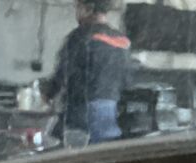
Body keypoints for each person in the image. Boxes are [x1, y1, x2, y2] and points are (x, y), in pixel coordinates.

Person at [44, 0, 131, 146]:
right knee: (102, 153)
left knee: (70, 152)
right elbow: (127, 79)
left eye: (78, 7)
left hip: (82, 112)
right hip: (112, 112)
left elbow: (63, 72)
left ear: (88, 9)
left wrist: (48, 95)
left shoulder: (79, 37)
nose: (77, 13)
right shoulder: (122, 41)